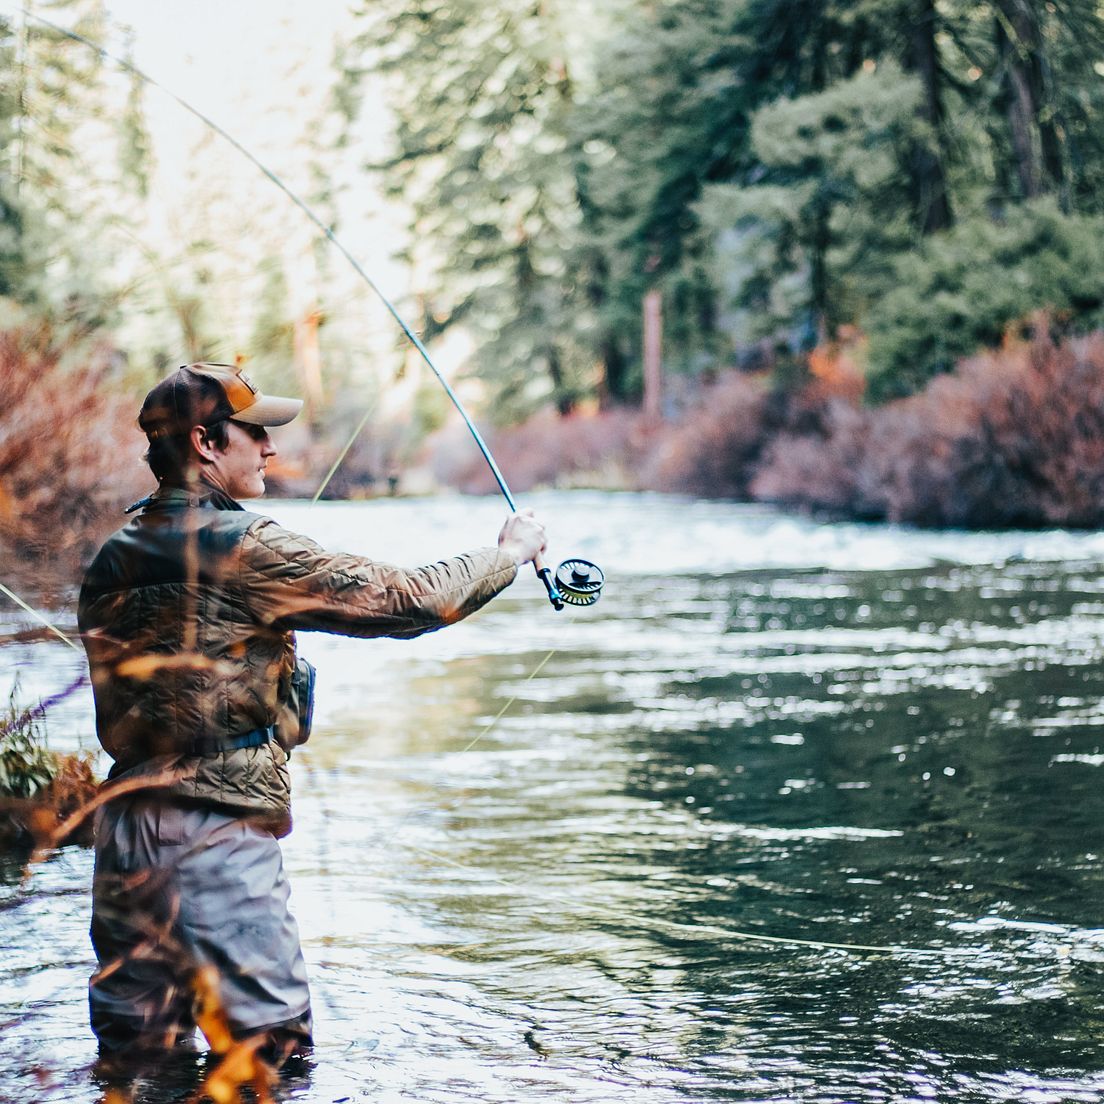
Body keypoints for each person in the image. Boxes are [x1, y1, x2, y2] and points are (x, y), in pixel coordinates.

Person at [78, 362, 546, 1069]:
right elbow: (406, 600)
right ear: (205, 442)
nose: (269, 448)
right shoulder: (246, 547)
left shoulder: (111, 558)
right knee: (270, 1064)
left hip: (124, 840)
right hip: (216, 835)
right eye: (256, 432)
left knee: (138, 1068)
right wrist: (506, 555)